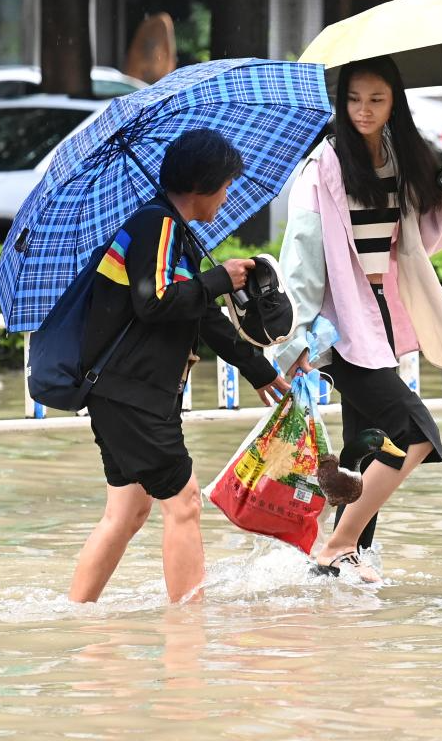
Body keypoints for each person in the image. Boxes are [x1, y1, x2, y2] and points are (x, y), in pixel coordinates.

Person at [274, 56, 442, 582]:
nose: (363, 111)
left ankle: (342, 569)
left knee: (365, 445)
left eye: (376, 99)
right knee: (413, 432)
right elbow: (301, 260)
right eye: (353, 99)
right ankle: (337, 546)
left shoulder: (401, 159)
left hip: (381, 316)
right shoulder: (322, 166)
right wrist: (293, 343)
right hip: (338, 325)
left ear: (395, 103)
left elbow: (422, 240)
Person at [69, 128, 290, 604]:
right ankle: (189, 628)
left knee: (127, 512)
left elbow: (202, 316)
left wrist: (259, 369)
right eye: (225, 185)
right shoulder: (158, 225)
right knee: (185, 502)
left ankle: (77, 616)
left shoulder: (171, 230)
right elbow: (154, 301)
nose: (226, 196)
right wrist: (218, 278)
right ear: (201, 184)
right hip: (134, 392)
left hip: (123, 391)